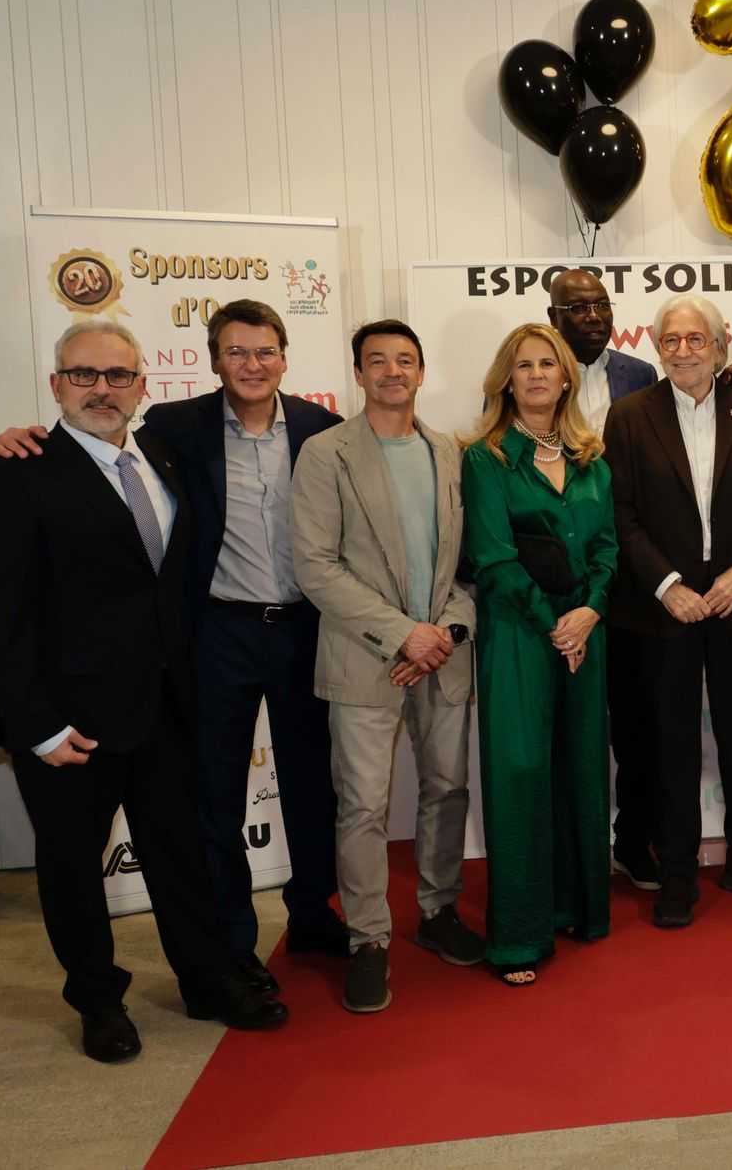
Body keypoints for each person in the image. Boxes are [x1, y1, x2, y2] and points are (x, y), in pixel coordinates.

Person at [0, 298, 349, 998]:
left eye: (264, 351)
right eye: (236, 351)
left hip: (304, 629)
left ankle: (311, 914)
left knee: (312, 788)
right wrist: (12, 439)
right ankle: (233, 946)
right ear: (213, 361)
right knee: (215, 802)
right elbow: (76, 458)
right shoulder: (173, 429)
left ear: (284, 358)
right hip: (214, 637)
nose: (251, 364)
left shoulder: (321, 429)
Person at [292, 320, 482, 1013]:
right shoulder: (325, 454)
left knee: (447, 789)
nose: (393, 371)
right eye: (378, 361)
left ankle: (438, 911)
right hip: (364, 655)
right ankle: (368, 939)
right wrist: (404, 636)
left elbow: (469, 561)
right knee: (364, 805)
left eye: (405, 360)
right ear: (359, 373)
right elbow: (315, 565)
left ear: (421, 372)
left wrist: (446, 631)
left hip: (444, 655)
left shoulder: (451, 452)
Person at [605, 296, 732, 929]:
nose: (683, 350)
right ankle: (677, 875)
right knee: (671, 744)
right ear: (657, 347)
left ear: (719, 347)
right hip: (662, 609)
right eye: (671, 340)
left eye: (696, 339)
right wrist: (666, 585)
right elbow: (620, 512)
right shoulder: (629, 415)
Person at [462, 322, 618, 981]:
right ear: (506, 379)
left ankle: (577, 908)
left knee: (581, 767)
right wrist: (556, 626)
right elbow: (493, 557)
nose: (535, 375)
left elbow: (608, 547)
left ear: (565, 378)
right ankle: (520, 938)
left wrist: (590, 611)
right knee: (521, 775)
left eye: (546, 364)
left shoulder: (591, 458)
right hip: (519, 635)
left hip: (585, 632)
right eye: (523, 365)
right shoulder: (486, 458)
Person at [545, 269, 662, 893]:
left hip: (632, 578)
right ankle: (571, 851)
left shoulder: (641, 376)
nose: (593, 317)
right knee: (568, 726)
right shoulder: (534, 376)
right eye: (578, 308)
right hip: (560, 579)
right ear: (553, 316)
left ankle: (634, 841)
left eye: (601, 306)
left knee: (638, 723)